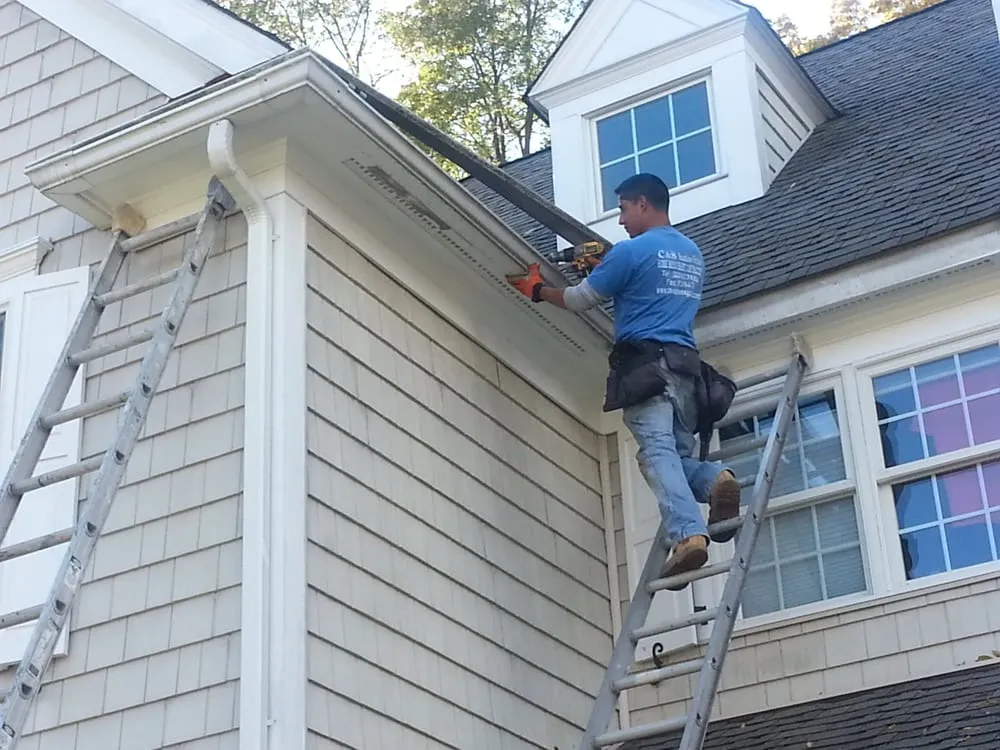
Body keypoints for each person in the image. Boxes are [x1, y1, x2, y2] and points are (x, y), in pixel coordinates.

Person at [508, 173, 740, 584]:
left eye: (623, 209)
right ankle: (714, 479)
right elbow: (651, 291)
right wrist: (608, 269)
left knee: (654, 453)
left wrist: (538, 289)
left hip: (647, 369)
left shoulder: (632, 252)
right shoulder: (691, 253)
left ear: (644, 204)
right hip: (687, 371)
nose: (620, 221)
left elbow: (580, 299)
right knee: (677, 458)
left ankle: (689, 535)